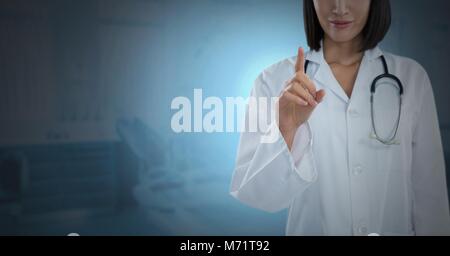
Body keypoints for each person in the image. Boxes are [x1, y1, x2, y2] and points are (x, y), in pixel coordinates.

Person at [230, 0, 450, 235]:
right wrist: (287, 127)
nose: (340, 7)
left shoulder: (411, 78)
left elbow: (430, 198)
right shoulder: (273, 80)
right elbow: (258, 195)